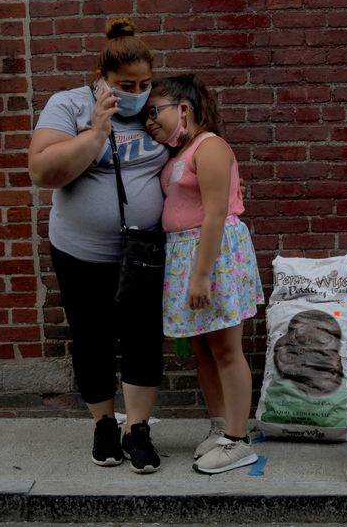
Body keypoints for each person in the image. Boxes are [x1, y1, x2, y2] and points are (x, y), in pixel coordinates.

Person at [28, 18, 166, 474]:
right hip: (80, 251)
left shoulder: (159, 108)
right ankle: (105, 424)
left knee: (144, 337)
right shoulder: (67, 106)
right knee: (92, 339)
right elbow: (44, 170)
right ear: (102, 78)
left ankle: (138, 429)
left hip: (143, 251)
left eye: (145, 83)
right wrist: (97, 133)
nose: (138, 91)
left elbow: (198, 147)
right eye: (127, 84)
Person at [145, 74, 264, 474]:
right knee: (204, 352)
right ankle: (219, 428)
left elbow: (215, 214)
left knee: (227, 350)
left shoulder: (210, 147)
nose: (149, 121)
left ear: (184, 109)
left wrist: (201, 276)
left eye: (154, 111)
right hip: (187, 256)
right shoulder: (181, 152)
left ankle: (238, 440)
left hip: (211, 257)